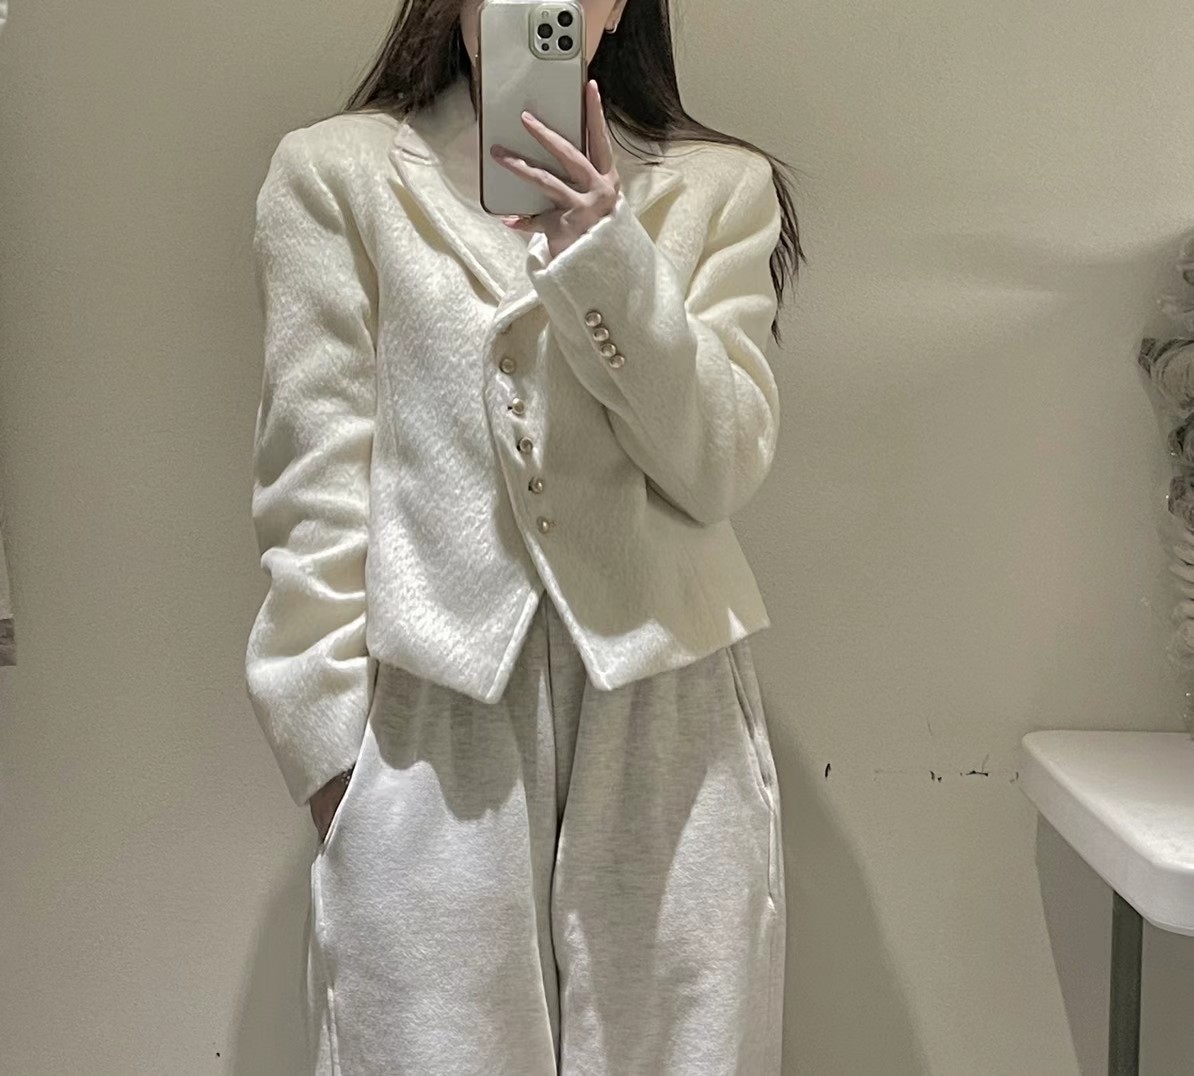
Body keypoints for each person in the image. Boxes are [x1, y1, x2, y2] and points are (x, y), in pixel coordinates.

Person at [244, 0, 806, 1071]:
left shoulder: (721, 189)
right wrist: (330, 758)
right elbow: (311, 487)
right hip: (431, 718)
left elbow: (721, 465)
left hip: (669, 718)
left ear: (619, 6)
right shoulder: (336, 177)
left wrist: (605, 254)